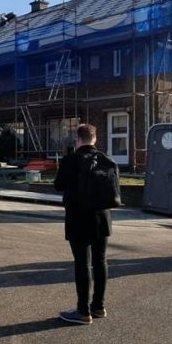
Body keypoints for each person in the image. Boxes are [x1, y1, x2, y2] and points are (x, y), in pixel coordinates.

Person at [53, 124, 116, 325]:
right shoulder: (106, 160)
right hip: (102, 217)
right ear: (95, 139)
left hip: (78, 217)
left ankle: (82, 311)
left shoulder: (70, 160)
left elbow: (58, 185)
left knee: (82, 263)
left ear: (78, 139)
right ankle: (98, 306)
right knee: (101, 261)